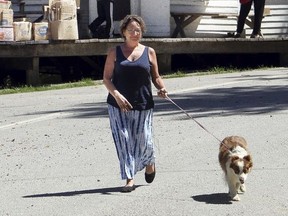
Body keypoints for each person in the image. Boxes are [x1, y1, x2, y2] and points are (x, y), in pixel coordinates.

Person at [102, 15, 168, 192]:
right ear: (123, 32)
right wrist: (116, 95)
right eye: (130, 30)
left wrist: (161, 88)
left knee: (144, 140)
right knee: (123, 140)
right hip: (117, 105)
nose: (134, 33)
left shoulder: (149, 52)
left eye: (137, 30)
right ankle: (129, 178)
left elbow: (156, 77)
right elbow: (106, 79)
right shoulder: (114, 52)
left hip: (143, 103)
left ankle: (149, 162)